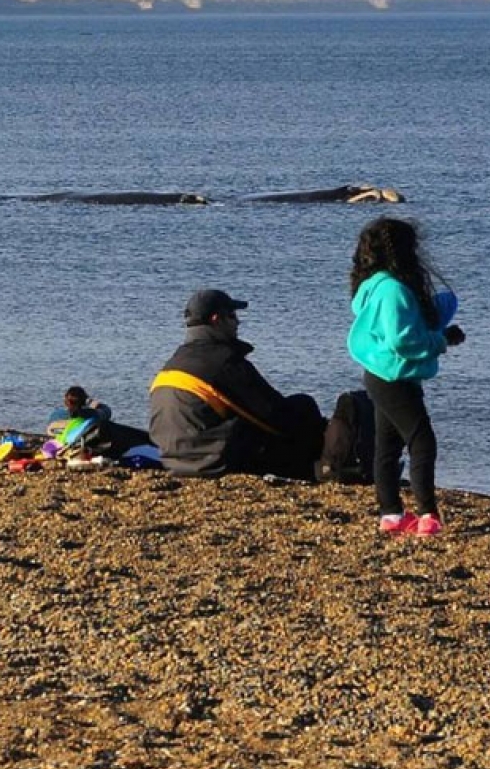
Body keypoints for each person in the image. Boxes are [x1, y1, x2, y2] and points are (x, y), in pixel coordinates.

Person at [348, 217, 465, 537]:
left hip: (379, 373)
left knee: (387, 444)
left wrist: (438, 326)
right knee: (422, 440)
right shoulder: (394, 290)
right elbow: (403, 340)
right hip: (395, 375)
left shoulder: (373, 287)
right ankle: (428, 514)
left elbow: (396, 331)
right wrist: (440, 341)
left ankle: (391, 515)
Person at [148, 288, 324, 479]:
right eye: (232, 316)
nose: (238, 322)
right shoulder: (222, 364)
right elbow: (276, 416)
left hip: (173, 461)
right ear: (216, 320)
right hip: (216, 465)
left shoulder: (172, 364)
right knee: (302, 406)